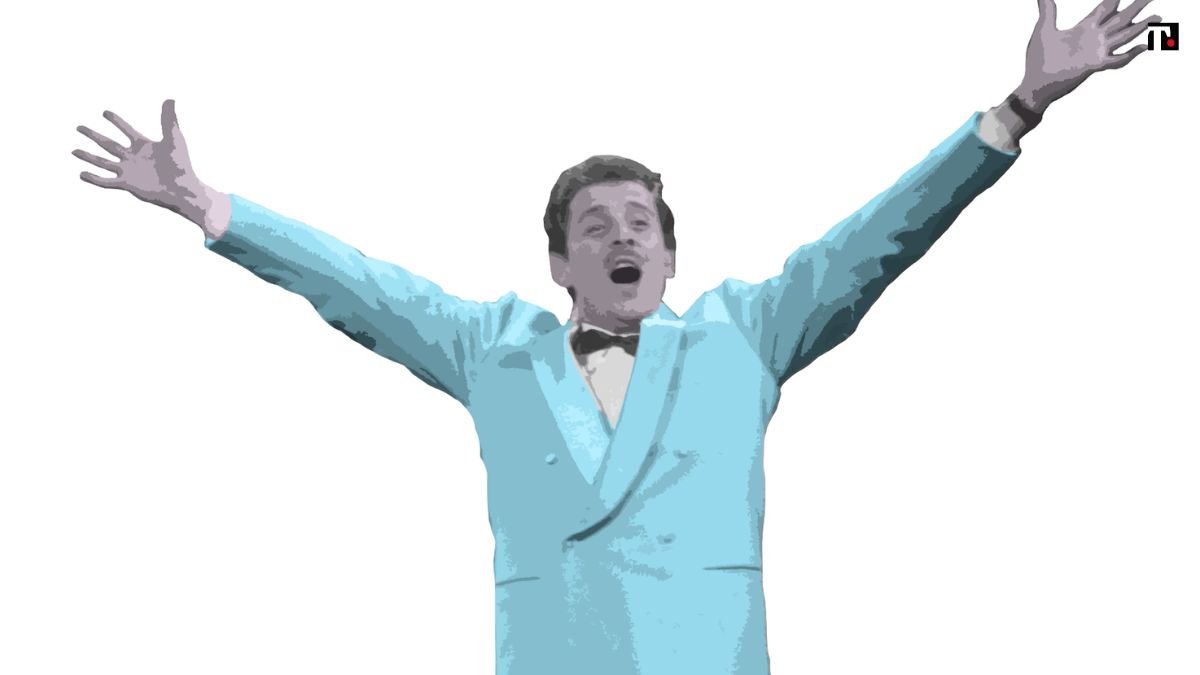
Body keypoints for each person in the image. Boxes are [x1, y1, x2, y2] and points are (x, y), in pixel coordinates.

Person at [71, 1, 1162, 672]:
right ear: (560, 265)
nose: (622, 237)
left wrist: (1018, 108)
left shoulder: (747, 333)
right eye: (594, 228)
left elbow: (877, 237)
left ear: (671, 256)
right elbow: (362, 286)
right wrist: (216, 210)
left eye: (641, 224)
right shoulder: (492, 349)